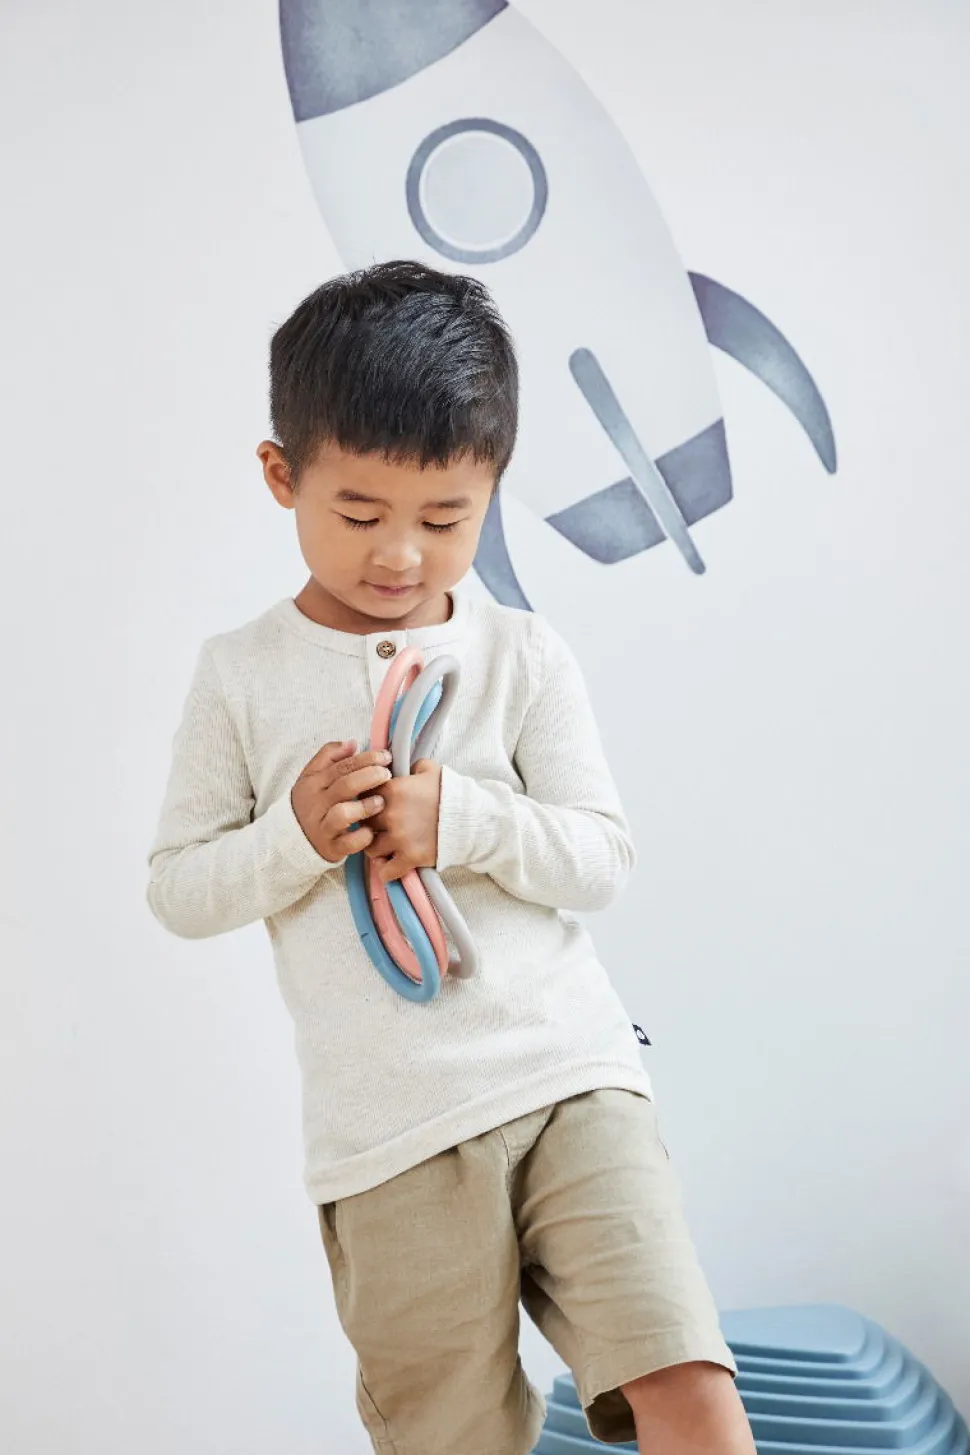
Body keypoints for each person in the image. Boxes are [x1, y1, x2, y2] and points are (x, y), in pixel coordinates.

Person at [147, 260, 755, 1455]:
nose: (401, 556)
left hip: (568, 1076)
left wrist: (464, 818)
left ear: (492, 487)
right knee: (452, 1435)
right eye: (359, 514)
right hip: (389, 1137)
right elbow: (178, 888)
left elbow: (600, 859)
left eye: (445, 520)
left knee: (685, 1375)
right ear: (281, 476)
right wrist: (295, 837)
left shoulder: (525, 655)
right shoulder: (239, 676)